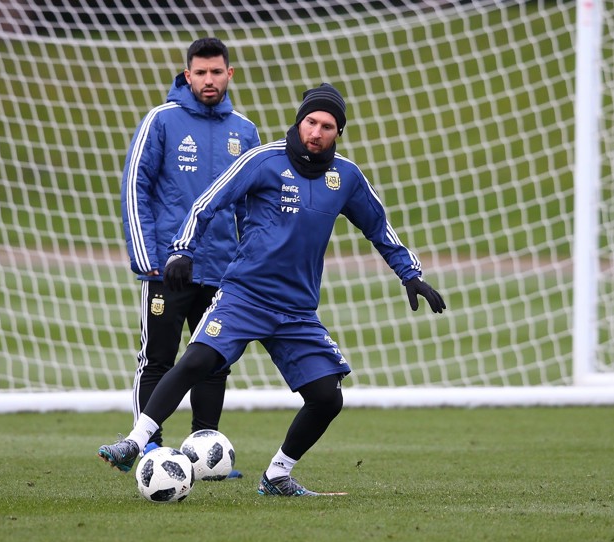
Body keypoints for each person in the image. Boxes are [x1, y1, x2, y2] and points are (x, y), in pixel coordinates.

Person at [99, 83, 446, 496]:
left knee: (327, 398)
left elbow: (379, 228)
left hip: (297, 312)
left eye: (327, 126)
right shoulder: (264, 161)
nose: (316, 132)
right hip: (244, 296)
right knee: (195, 361)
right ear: (299, 122)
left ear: (339, 133)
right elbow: (207, 203)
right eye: (311, 122)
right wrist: (182, 250)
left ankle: (277, 475)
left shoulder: (346, 179)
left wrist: (410, 274)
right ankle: (134, 442)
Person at [119, 37, 260, 470]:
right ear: (187, 75)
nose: (209, 80)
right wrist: (148, 259)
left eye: (216, 71)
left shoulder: (244, 129)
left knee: (214, 363)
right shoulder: (161, 121)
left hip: (221, 270)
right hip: (167, 268)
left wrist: (245, 264)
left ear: (229, 74)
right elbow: (134, 188)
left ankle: (206, 454)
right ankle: (150, 449)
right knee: (158, 359)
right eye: (200, 72)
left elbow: (252, 207)